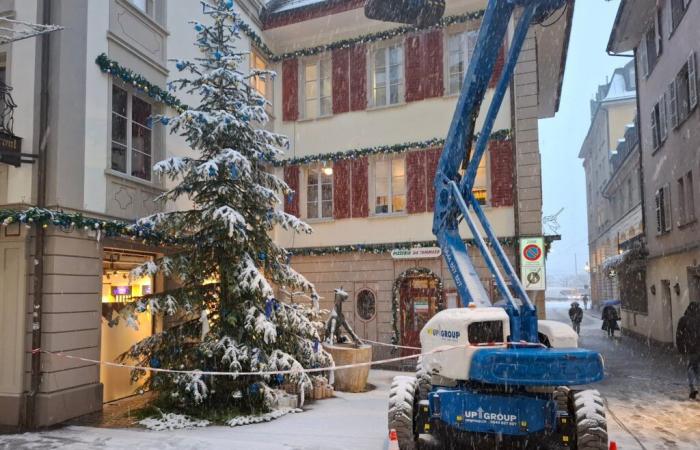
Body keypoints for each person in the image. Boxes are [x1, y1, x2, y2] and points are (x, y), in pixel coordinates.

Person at [676, 302, 700, 400]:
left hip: (690, 348)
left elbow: (679, 335)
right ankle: (695, 386)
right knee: (696, 367)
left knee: (691, 367)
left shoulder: (683, 320)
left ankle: (693, 387)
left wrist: (680, 347)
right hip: (698, 347)